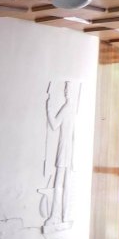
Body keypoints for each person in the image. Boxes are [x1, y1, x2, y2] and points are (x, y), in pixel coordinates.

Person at [45, 81, 76, 227]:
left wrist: (49, 109)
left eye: (68, 89)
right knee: (66, 184)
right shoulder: (72, 108)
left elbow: (54, 124)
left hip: (65, 150)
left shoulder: (67, 108)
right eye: (65, 89)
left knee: (59, 184)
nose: (66, 91)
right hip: (69, 151)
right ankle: (64, 215)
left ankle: (56, 216)